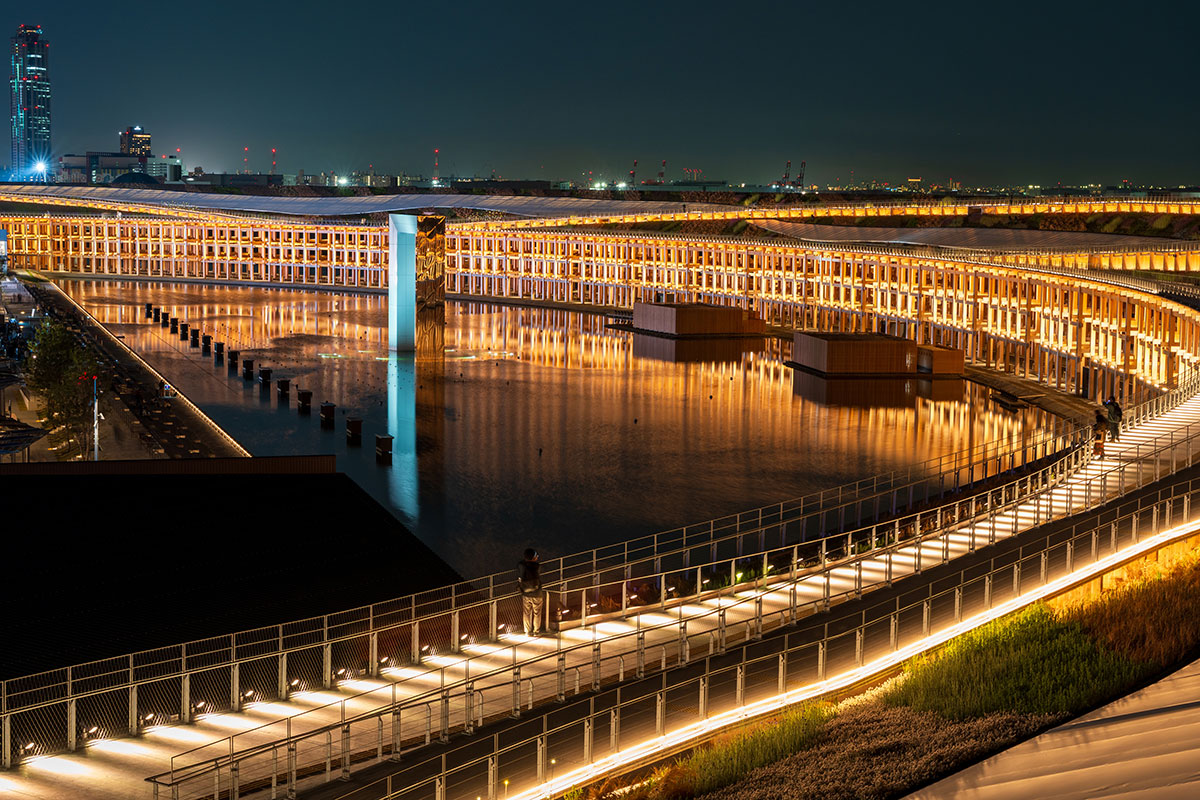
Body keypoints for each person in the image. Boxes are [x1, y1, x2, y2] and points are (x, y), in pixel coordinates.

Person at [517, 548, 544, 637]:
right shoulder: (538, 566)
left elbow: (520, 575)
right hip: (537, 593)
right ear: (533, 557)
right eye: (536, 555)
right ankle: (536, 631)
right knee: (537, 613)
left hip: (526, 592)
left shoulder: (522, 565)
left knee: (527, 613)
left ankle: (527, 632)